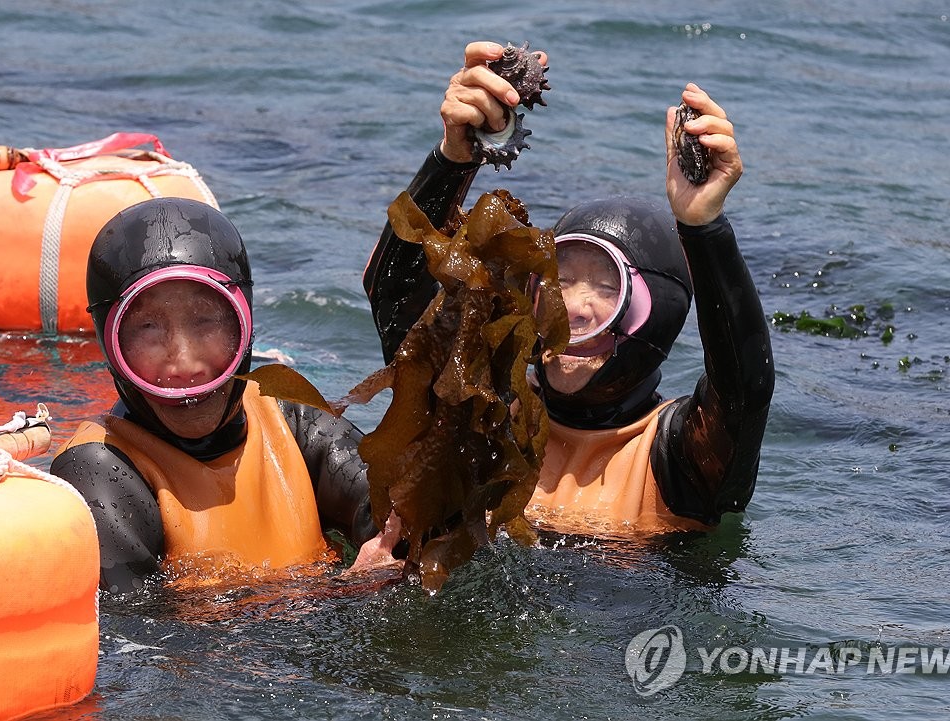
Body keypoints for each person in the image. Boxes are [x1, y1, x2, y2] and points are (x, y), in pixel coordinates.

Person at [364, 42, 774, 534]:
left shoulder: (680, 458)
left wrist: (703, 226)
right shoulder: (488, 417)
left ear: (659, 312)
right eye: (559, 281)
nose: (575, 308)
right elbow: (393, 299)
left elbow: (744, 386)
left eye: (607, 288)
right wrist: (455, 156)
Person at [51, 197, 384, 593]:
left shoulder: (287, 418)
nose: (184, 363)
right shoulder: (98, 470)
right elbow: (148, 638)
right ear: (110, 344)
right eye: (149, 329)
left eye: (206, 320)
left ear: (245, 326)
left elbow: (395, 503)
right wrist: (347, 594)